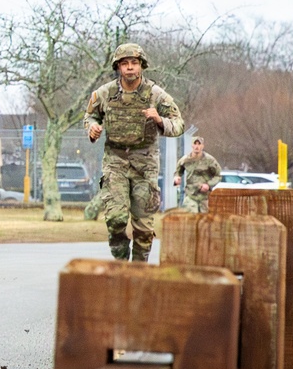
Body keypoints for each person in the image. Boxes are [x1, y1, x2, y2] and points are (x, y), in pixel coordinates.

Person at [84, 43, 184, 262]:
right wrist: (92, 129)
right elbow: (90, 116)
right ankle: (121, 265)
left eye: (134, 63)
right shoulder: (104, 94)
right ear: (118, 67)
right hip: (115, 162)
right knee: (116, 219)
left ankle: (138, 271)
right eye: (125, 64)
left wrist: (159, 119)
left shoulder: (155, 94)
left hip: (144, 164)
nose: (130, 68)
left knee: (144, 227)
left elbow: (178, 124)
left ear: (141, 66)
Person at [172, 136, 222, 213]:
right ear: (192, 145)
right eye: (195, 144)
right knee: (191, 217)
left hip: (204, 197)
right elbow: (178, 171)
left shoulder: (209, 160)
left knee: (204, 221)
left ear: (202, 146)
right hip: (191, 194)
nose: (197, 146)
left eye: (199, 144)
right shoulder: (185, 160)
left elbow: (218, 175)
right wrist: (176, 178)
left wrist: (208, 184)